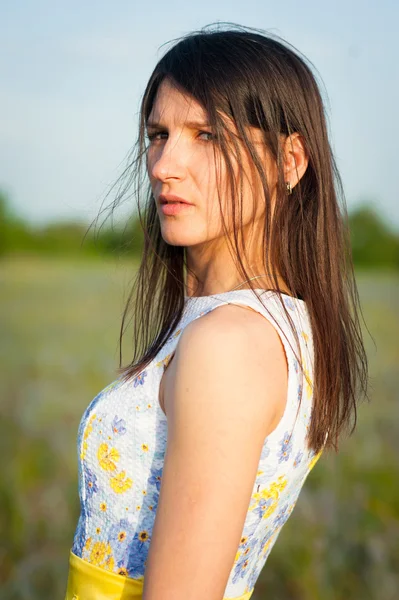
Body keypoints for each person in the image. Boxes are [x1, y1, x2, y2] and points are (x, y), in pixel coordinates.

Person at [64, 23, 368, 600]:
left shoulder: (228, 343)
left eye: (208, 135)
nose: (164, 165)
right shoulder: (272, 325)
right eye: (159, 133)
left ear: (290, 161)